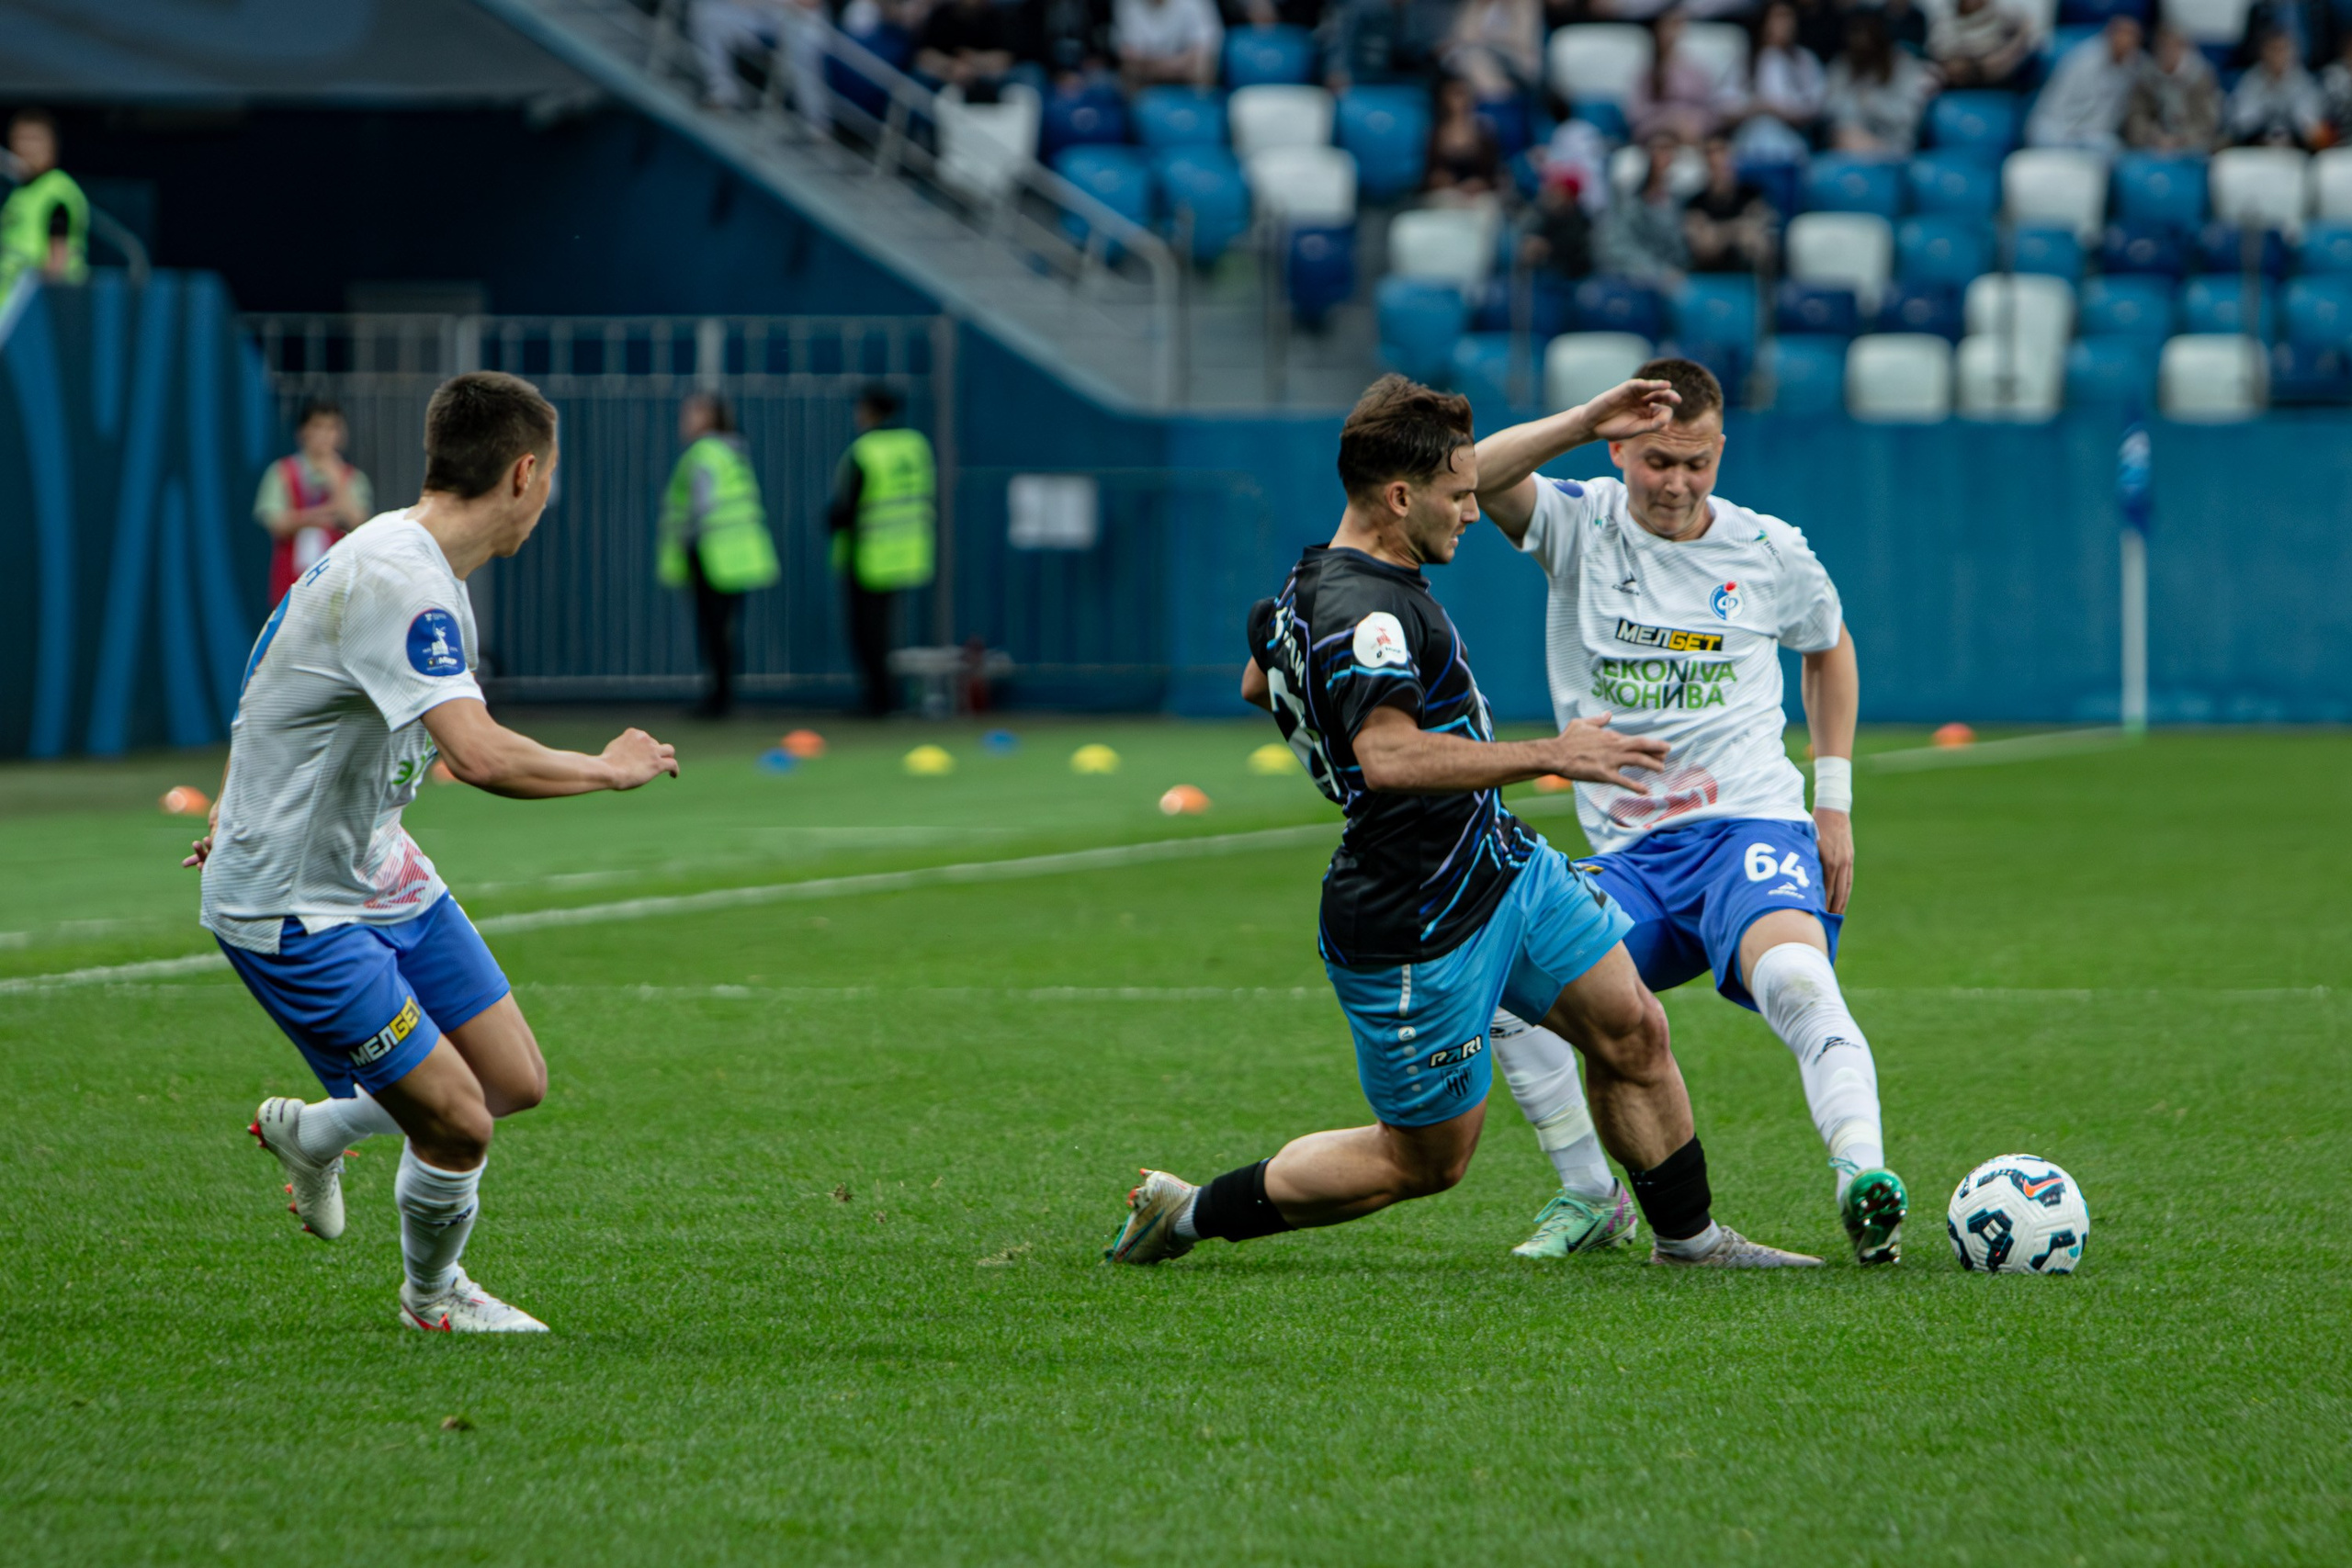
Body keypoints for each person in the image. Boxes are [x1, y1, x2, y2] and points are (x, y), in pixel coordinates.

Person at [1104, 375, 1821, 1271]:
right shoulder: (1369, 611)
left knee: (1632, 1029)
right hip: (1415, 914)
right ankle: (1187, 1214)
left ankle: (1690, 1242)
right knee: (1425, 1160)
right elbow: (1390, 759)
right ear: (1401, 497)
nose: (1473, 511)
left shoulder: (1316, 580)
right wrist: (1553, 754)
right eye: (1455, 495)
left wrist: (1586, 423)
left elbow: (1263, 680)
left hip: (1500, 867)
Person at [190, 371, 681, 1334]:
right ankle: (433, 1299)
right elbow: (482, 755)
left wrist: (234, 794)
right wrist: (609, 768)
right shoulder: (401, 579)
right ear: (525, 474)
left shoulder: (400, 557)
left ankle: (316, 1132)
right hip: (295, 902)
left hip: (373, 862)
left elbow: (271, 666)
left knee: (511, 1083)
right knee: (460, 1119)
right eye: (550, 479)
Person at [1467, 358, 1906, 1269]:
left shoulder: (1769, 550)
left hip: (1749, 825)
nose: (1676, 484)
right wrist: (1584, 418)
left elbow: (1827, 648)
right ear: (1620, 449)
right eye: (1657, 462)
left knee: (1793, 976)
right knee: (1502, 977)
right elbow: (1474, 473)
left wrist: (1834, 803)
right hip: (1630, 854)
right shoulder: (1577, 522)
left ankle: (1861, 1180)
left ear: (1720, 453)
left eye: (1697, 462)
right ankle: (1592, 1195)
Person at [658, 394, 781, 719]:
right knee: (725, 631)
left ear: (707, 418)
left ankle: (718, 700)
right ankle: (723, 696)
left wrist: (686, 539)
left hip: (712, 555)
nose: (683, 421)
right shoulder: (734, 450)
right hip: (738, 554)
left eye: (690, 414)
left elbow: (701, 505)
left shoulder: (703, 454)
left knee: (714, 632)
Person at [828, 385, 938, 717]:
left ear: (870, 411)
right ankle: (888, 697)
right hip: (908, 547)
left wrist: (831, 519)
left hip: (869, 552)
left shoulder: (865, 450)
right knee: (886, 629)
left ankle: (879, 700)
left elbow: (846, 507)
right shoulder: (915, 445)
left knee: (867, 632)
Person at [255, 399, 373, 607]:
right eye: (318, 427)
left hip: (339, 586)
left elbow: (359, 523)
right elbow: (276, 523)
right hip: (291, 584)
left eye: (332, 428)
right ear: (302, 432)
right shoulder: (282, 473)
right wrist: (319, 516)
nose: (325, 435)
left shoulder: (352, 478)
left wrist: (336, 481)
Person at [1823, 10, 1939, 154]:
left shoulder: (1905, 66)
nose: (1861, 43)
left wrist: (1871, 102)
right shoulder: (1842, 65)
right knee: (1842, 135)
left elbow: (1908, 115)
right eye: (1855, 36)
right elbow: (1830, 108)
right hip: (1849, 145)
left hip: (1894, 146)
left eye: (1867, 36)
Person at [0, 107, 88, 292]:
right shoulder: (21, 192)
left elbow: (57, 262)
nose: (27, 148)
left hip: (39, 308)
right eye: (21, 139)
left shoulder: (58, 191)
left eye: (35, 140)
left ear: (53, 145)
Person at [2025, 15, 2143, 152]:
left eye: (2132, 37)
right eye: (2123, 34)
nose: (2126, 41)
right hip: (2058, 127)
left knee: (2110, 148)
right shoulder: (2081, 60)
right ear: (2110, 34)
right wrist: (2070, 137)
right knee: (2041, 135)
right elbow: (2056, 106)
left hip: (2091, 137)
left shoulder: (2135, 67)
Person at [1734, 0, 1826, 165]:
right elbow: (1724, 104)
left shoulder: (1805, 60)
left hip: (1793, 139)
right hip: (1750, 139)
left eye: (1789, 17)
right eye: (1778, 17)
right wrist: (1754, 107)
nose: (1785, 24)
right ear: (1765, 21)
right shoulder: (1749, 60)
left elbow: (1815, 106)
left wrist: (1776, 109)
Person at [1594, 134, 1692, 285]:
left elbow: (1679, 252)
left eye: (1669, 150)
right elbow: (1617, 250)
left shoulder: (1677, 202)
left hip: (1674, 279)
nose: (1664, 157)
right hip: (1632, 281)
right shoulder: (1626, 208)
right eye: (1659, 150)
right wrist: (1658, 273)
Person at [1628, 7, 1728, 143]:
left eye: (1676, 27)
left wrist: (1692, 121)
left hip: (1695, 130)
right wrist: (1670, 120)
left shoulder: (1697, 70)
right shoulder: (1648, 72)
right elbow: (1636, 114)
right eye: (1666, 28)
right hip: (1658, 132)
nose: (1670, 34)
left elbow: (1711, 108)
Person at [1681, 132, 1773, 273]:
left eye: (1721, 151)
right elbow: (1704, 247)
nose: (1717, 159)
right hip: (1708, 273)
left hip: (1745, 273)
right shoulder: (1695, 202)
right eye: (1710, 153)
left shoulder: (1752, 194)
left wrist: (1717, 232)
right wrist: (1737, 229)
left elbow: (1758, 239)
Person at [2127, 24, 2223, 152]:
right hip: (2153, 144)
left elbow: (2208, 123)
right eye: (2162, 46)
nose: (2167, 51)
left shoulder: (2201, 78)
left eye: (2173, 46)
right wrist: (2154, 137)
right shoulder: (2146, 76)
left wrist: (2180, 139)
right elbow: (2137, 115)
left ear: (2184, 48)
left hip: (2192, 146)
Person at [2225, 28, 2326, 146]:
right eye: (2273, 49)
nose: (2278, 55)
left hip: (2295, 148)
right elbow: (2242, 122)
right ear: (2262, 52)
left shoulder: (2303, 80)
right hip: (2257, 146)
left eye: (2283, 49)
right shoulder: (2251, 80)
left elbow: (2311, 126)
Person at [1441, 0, 1544, 100]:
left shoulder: (1524, 4)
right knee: (1459, 58)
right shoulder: (1475, 4)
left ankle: (1493, 103)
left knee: (1475, 58)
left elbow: (1521, 42)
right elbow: (1462, 36)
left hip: (1518, 64)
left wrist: (1485, 42)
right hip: (1481, 63)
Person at [1422, 75, 1505, 198]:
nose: (1461, 100)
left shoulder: (1485, 130)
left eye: (1464, 93)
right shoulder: (1435, 132)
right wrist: (1438, 180)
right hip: (1445, 196)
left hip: (1479, 197)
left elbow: (1495, 173)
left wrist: (1482, 183)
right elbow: (1429, 172)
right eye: (1455, 94)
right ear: (1444, 97)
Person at [1928, 0, 2037, 90]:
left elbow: (2028, 32)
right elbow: (1944, 59)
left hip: (2002, 75)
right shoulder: (1945, 18)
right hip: (1956, 81)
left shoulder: (2003, 11)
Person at [917, 0, 1018, 96]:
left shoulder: (996, 17)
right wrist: (952, 66)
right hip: (942, 78)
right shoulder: (941, 15)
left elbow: (1005, 59)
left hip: (984, 79)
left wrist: (972, 63)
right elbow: (924, 55)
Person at [1113, 0, 1223, 86]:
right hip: (1147, 80)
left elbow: (1204, 48)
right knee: (1129, 70)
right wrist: (1171, 67)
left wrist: (1166, 66)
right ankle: (1137, 111)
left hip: (1187, 75)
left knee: (1202, 64)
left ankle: (1202, 104)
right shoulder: (1126, 4)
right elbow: (1130, 56)